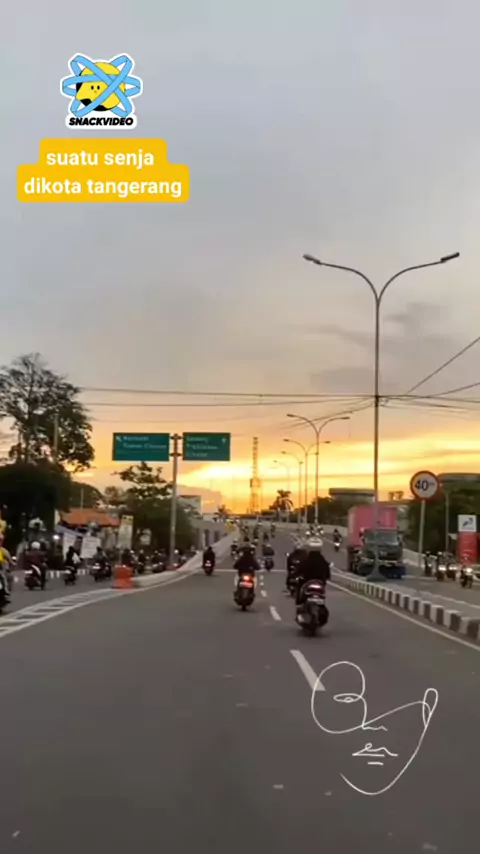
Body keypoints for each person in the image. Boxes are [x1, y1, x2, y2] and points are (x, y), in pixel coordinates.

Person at [295, 540, 331, 608]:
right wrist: (326, 577)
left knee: (300, 585)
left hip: (307, 581)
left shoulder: (306, 560)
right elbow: (327, 573)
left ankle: (299, 603)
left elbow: (299, 570)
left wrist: (295, 574)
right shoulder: (323, 561)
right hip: (320, 582)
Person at [0, 535, 13, 600]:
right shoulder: (3, 550)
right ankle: (6, 589)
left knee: (6, 576)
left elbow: (10, 560)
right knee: (4, 576)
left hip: (2, 568)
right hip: (2, 569)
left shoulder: (3, 550)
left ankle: (6, 590)